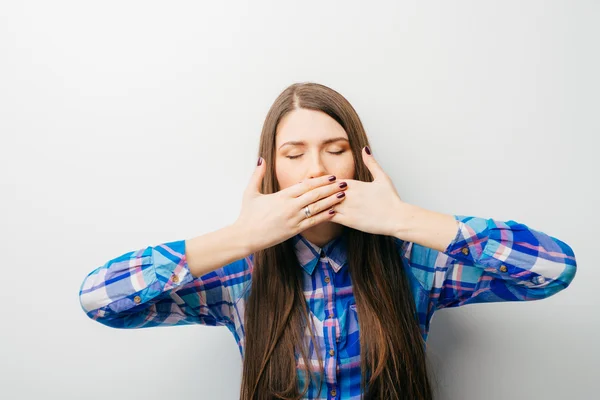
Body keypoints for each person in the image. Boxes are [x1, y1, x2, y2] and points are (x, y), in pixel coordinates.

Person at [78, 82, 577, 400]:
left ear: (359, 163)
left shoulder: (415, 261)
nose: (316, 170)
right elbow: (100, 299)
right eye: (293, 154)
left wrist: (404, 219)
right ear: (269, 169)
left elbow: (553, 270)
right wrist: (242, 235)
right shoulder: (236, 274)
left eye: (335, 150)